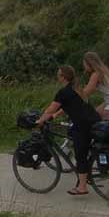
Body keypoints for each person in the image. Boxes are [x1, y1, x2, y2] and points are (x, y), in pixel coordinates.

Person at [36, 64, 101, 195]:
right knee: (78, 143)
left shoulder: (63, 92)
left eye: (58, 75)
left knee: (80, 155)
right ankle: (86, 174)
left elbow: (51, 108)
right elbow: (68, 106)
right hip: (94, 120)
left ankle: (82, 187)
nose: (57, 77)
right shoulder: (76, 88)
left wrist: (40, 120)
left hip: (83, 125)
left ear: (63, 77)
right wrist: (55, 116)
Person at [79, 51, 109, 118]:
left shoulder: (96, 74)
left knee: (97, 122)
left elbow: (87, 91)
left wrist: (73, 96)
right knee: (95, 114)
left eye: (84, 63)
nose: (84, 66)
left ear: (88, 63)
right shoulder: (104, 70)